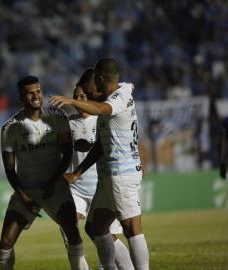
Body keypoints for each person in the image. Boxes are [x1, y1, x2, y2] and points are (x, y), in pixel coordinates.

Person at [50, 58, 150, 270]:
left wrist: (72, 101)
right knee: (96, 227)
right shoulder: (116, 94)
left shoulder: (118, 99)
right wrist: (77, 173)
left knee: (132, 228)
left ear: (102, 78)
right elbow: (101, 146)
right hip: (108, 177)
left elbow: (102, 109)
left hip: (121, 174)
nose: (92, 84)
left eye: (95, 78)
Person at [0, 75, 90, 270]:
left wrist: (55, 180)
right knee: (5, 244)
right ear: (21, 97)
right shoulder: (10, 128)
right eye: (30, 93)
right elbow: (9, 168)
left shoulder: (58, 116)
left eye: (38, 91)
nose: (35, 96)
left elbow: (67, 153)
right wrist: (23, 195)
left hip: (55, 187)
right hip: (28, 190)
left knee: (73, 234)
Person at [61, 68, 134, 270]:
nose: (79, 99)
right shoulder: (68, 124)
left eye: (82, 96)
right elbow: (64, 153)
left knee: (105, 235)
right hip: (76, 188)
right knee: (68, 227)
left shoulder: (102, 117)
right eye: (75, 96)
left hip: (100, 184)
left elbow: (123, 139)